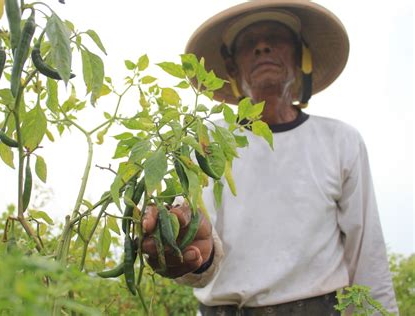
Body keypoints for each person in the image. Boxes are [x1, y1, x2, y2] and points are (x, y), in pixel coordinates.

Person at [142, 1, 399, 315]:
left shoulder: (340, 141)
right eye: (249, 43)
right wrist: (192, 253)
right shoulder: (206, 141)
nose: (262, 47)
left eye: (275, 38)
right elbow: (200, 247)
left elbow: (366, 254)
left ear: (299, 55)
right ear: (233, 67)